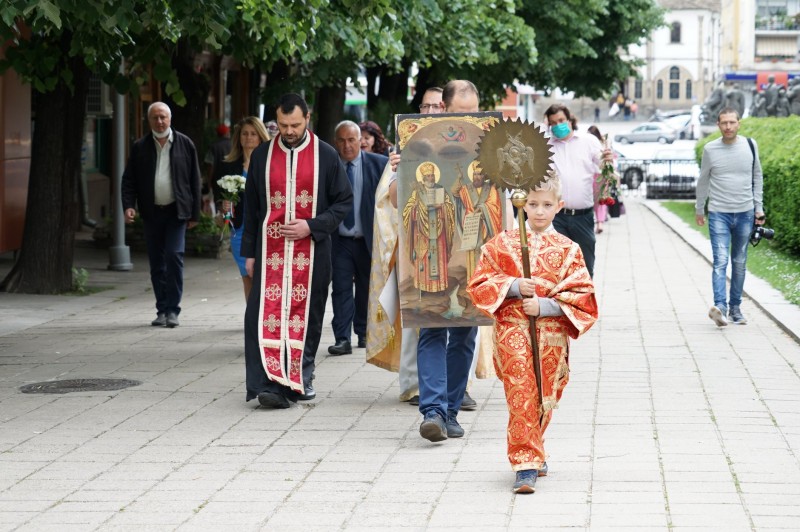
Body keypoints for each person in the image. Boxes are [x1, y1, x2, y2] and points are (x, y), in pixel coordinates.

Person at [467, 172, 598, 494]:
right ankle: (524, 462)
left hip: (551, 333)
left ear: (559, 206)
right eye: (533, 204)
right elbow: (480, 282)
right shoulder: (504, 244)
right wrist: (511, 286)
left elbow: (584, 296)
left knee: (544, 396)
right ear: (523, 205)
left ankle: (535, 448)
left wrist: (546, 306)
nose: (539, 211)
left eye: (547, 205)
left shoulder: (568, 249)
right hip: (512, 330)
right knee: (521, 391)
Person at [241, 93, 353, 408]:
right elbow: (251, 207)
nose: (288, 131)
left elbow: (343, 201)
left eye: (294, 124)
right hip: (270, 254)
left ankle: (299, 379)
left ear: (307, 118)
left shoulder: (326, 156)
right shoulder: (262, 155)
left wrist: (313, 226)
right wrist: (249, 253)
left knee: (307, 315)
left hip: (313, 253)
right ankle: (268, 384)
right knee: (262, 316)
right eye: (282, 124)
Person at [403, 80, 481, 442]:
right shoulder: (419, 145)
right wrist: (400, 172)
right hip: (431, 248)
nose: (468, 118)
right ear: (444, 110)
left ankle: (450, 410)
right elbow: (395, 198)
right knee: (433, 325)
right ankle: (432, 410)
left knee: (465, 331)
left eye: (474, 110)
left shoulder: (486, 145)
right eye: (460, 111)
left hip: (472, 249)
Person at [365, 86, 445, 407]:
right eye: (425, 107)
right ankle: (413, 383)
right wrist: (400, 169)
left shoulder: (467, 143)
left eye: (437, 107)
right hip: (415, 243)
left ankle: (455, 384)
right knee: (415, 314)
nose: (430, 113)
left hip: (451, 244)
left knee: (455, 314)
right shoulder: (406, 146)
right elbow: (390, 200)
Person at [122, 102, 201, 328]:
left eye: (163, 117)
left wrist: (194, 214)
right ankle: (162, 309)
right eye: (155, 118)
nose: (159, 121)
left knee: (174, 257)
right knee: (157, 262)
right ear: (149, 121)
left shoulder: (185, 144)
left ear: (170, 118)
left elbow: (195, 180)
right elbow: (129, 180)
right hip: (151, 212)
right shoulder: (140, 147)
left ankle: (173, 310)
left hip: (176, 212)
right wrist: (129, 205)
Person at [695, 107, 764, 327]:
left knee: (740, 262)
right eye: (724, 123)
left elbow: (757, 177)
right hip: (719, 214)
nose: (728, 127)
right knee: (720, 261)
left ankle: (735, 309)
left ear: (738, 124)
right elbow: (703, 180)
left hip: (745, 212)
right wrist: (699, 208)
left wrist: (758, 208)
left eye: (732, 122)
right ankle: (720, 308)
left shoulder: (750, 146)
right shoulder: (710, 149)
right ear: (718, 125)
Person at [327, 121, 388, 356]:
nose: (347, 145)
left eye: (352, 140)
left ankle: (363, 333)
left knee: (365, 287)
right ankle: (342, 338)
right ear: (336, 143)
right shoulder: (330, 167)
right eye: (342, 140)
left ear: (360, 141)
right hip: (340, 240)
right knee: (341, 288)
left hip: (367, 239)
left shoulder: (378, 164)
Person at [544, 103, 610, 277]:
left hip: (583, 216)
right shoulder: (546, 146)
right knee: (558, 267)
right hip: (556, 217)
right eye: (553, 123)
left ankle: (585, 301)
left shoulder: (588, 142)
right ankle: (561, 303)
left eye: (561, 120)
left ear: (569, 119)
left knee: (586, 265)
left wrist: (608, 160)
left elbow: (604, 166)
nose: (558, 125)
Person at [215, 116, 270, 300]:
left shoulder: (269, 165)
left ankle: (264, 317)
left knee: (264, 276)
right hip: (239, 230)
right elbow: (220, 198)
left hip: (264, 229)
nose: (249, 138)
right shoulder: (229, 166)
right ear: (239, 137)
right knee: (247, 276)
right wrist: (224, 207)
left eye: (253, 134)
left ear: (261, 136)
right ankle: (251, 319)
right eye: (245, 134)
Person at [586, 125, 614, 235]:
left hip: (594, 175)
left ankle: (597, 222)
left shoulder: (594, 145)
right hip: (601, 175)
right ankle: (600, 223)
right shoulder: (603, 145)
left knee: (593, 200)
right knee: (601, 201)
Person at [205, 123, 232, 212]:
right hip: (233, 181)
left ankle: (221, 224)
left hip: (218, 182)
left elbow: (210, 166)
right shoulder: (234, 145)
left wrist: (209, 182)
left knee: (219, 207)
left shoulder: (213, 147)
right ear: (228, 132)